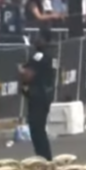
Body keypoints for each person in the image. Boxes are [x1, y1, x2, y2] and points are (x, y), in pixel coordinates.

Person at [20, 28, 55, 161]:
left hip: (38, 95)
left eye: (38, 36)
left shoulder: (39, 56)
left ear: (44, 39)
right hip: (45, 94)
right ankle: (44, 156)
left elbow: (28, 74)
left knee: (37, 129)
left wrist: (21, 71)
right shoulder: (51, 54)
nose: (35, 39)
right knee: (38, 128)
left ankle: (44, 157)